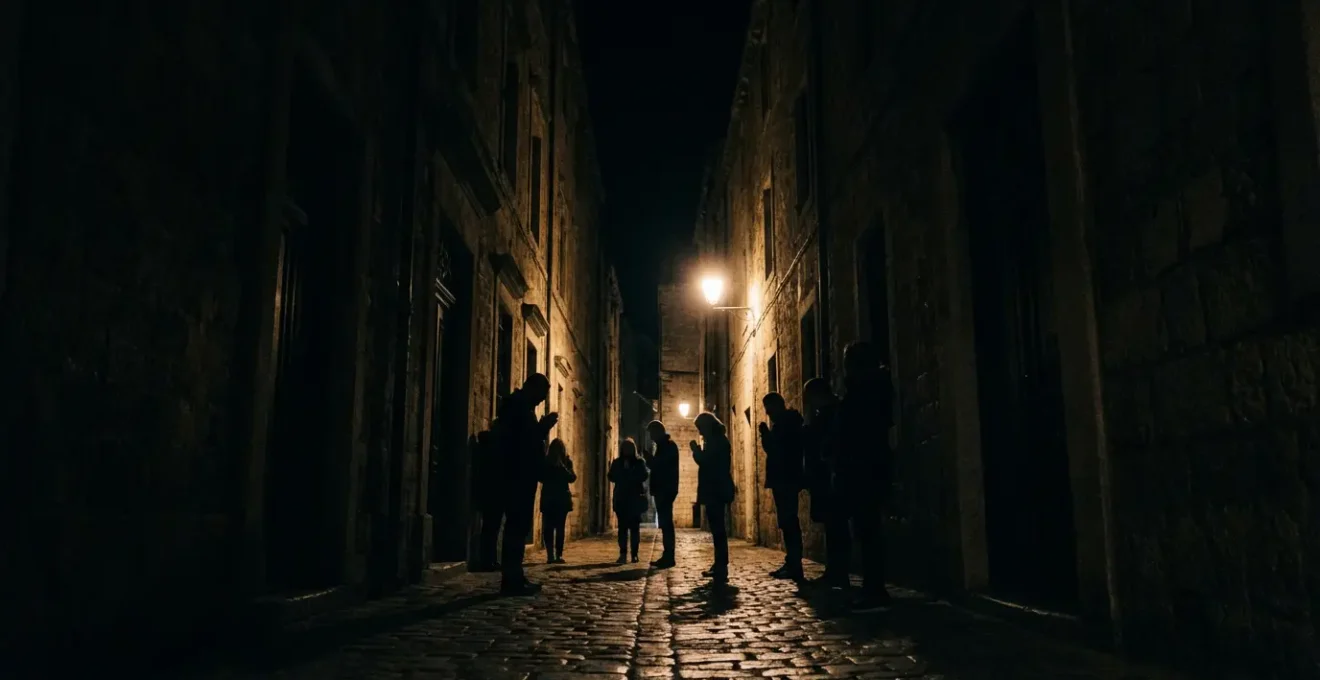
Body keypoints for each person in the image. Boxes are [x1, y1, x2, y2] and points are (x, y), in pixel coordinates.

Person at [832, 341, 895, 610]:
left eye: (847, 360)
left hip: (863, 467)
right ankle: (872, 586)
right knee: (867, 528)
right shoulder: (872, 388)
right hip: (866, 466)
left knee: (867, 528)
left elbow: (855, 429)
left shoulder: (865, 391)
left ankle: (874, 589)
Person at [494, 373, 558, 596]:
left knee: (518, 527)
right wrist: (543, 428)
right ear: (532, 388)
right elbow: (522, 442)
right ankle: (512, 579)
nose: (542, 400)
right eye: (541, 394)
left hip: (520, 475)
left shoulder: (520, 407)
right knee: (516, 526)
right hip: (517, 476)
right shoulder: (518, 408)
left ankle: (515, 576)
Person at [803, 377, 848, 588]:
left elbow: (829, 444)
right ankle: (835, 570)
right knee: (833, 526)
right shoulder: (824, 413)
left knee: (836, 525)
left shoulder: (833, 413)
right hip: (823, 476)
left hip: (829, 476)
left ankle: (838, 571)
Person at [759, 392, 806, 581]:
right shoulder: (788, 423)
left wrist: (765, 434)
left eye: (768, 408)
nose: (767, 413)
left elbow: (775, 450)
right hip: (787, 478)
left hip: (785, 478)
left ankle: (794, 564)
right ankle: (792, 562)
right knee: (788, 522)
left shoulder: (784, 425)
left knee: (789, 522)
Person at [691, 412, 734, 584]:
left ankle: (721, 566)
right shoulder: (717, 440)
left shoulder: (716, 442)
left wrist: (696, 451)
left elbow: (708, 463)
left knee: (718, 530)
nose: (700, 433)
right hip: (716, 489)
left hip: (715, 489)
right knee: (717, 530)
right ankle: (719, 564)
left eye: (700, 428)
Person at [642, 420, 680, 568]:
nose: (651, 437)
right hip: (664, 489)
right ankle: (667, 554)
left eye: (652, 433)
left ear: (658, 432)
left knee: (666, 523)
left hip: (665, 489)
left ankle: (669, 556)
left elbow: (660, 466)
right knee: (665, 523)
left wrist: (649, 459)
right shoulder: (664, 446)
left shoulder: (668, 446)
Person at [609, 438, 650, 563]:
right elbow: (611, 476)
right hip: (621, 498)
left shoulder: (639, 462)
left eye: (629, 448)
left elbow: (644, 475)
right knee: (622, 528)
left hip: (635, 498)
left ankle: (634, 554)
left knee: (634, 528)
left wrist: (631, 474)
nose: (627, 451)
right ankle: (622, 553)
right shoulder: (617, 462)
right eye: (625, 448)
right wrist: (622, 472)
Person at [540, 438, 577, 564]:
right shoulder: (546, 461)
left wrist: (562, 468)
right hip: (549, 498)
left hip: (561, 499)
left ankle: (558, 554)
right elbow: (541, 477)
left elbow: (572, 478)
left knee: (560, 528)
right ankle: (550, 554)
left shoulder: (566, 462)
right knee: (548, 528)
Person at [470, 430, 503, 572]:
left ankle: (489, 559)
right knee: (491, 529)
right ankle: (489, 560)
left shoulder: (481, 454)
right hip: (494, 495)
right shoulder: (492, 456)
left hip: (485, 495)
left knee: (488, 529)